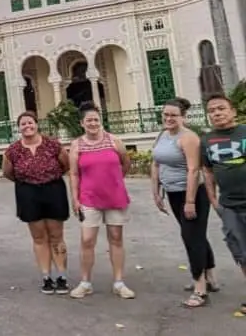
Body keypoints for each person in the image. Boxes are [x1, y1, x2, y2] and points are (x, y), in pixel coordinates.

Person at [151, 97, 217, 308]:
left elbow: (193, 170)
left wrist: (190, 202)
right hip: (173, 193)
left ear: (183, 117)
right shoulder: (162, 134)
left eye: (173, 115)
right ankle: (210, 276)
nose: (169, 118)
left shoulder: (189, 138)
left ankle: (200, 289)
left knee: (191, 237)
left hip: (193, 194)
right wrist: (156, 192)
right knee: (195, 235)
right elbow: (156, 164)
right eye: (166, 114)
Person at [68, 101, 135, 300]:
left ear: (101, 121)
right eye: (89, 120)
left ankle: (119, 282)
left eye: (96, 120)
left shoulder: (114, 141)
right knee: (87, 240)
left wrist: (115, 181)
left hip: (115, 197)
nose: (93, 123)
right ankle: (85, 282)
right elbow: (73, 174)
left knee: (116, 238)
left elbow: (125, 162)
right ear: (82, 123)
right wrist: (75, 198)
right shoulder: (77, 145)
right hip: (88, 198)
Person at [3, 111, 70, 294]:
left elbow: (66, 164)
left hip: (53, 190)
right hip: (28, 193)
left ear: (36, 124)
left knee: (56, 235)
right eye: (23, 124)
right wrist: (27, 181)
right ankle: (46, 276)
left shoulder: (52, 145)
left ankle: (62, 275)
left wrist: (49, 177)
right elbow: (8, 172)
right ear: (19, 128)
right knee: (39, 237)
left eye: (30, 122)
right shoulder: (14, 150)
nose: (27, 126)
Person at [200, 93, 246, 316]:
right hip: (229, 206)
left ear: (232, 111)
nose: (216, 113)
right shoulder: (207, 140)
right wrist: (214, 200)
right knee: (241, 252)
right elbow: (208, 171)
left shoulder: (244, 132)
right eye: (212, 111)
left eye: (221, 109)